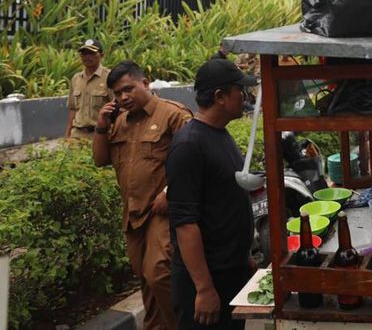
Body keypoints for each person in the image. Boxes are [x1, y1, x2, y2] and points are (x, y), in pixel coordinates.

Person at [93, 61, 193, 330]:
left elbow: (195, 157)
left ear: (145, 83)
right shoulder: (120, 122)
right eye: (117, 93)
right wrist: (102, 125)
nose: (123, 97)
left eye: (128, 89)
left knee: (159, 272)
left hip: (162, 210)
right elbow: (100, 159)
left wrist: (170, 192)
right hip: (134, 214)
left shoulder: (172, 114)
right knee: (145, 280)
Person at [167, 58, 256, 329]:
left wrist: (244, 255)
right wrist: (204, 289)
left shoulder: (220, 134)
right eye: (240, 90)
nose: (246, 97)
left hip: (231, 272)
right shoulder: (188, 145)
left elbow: (225, 200)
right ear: (219, 96)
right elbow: (185, 224)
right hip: (208, 280)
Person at [66, 39, 114, 140]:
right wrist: (67, 135)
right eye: (84, 53)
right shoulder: (76, 79)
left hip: (100, 134)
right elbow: (72, 109)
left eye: (92, 53)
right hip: (77, 135)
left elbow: (117, 107)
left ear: (101, 55)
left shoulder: (109, 77)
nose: (87, 57)